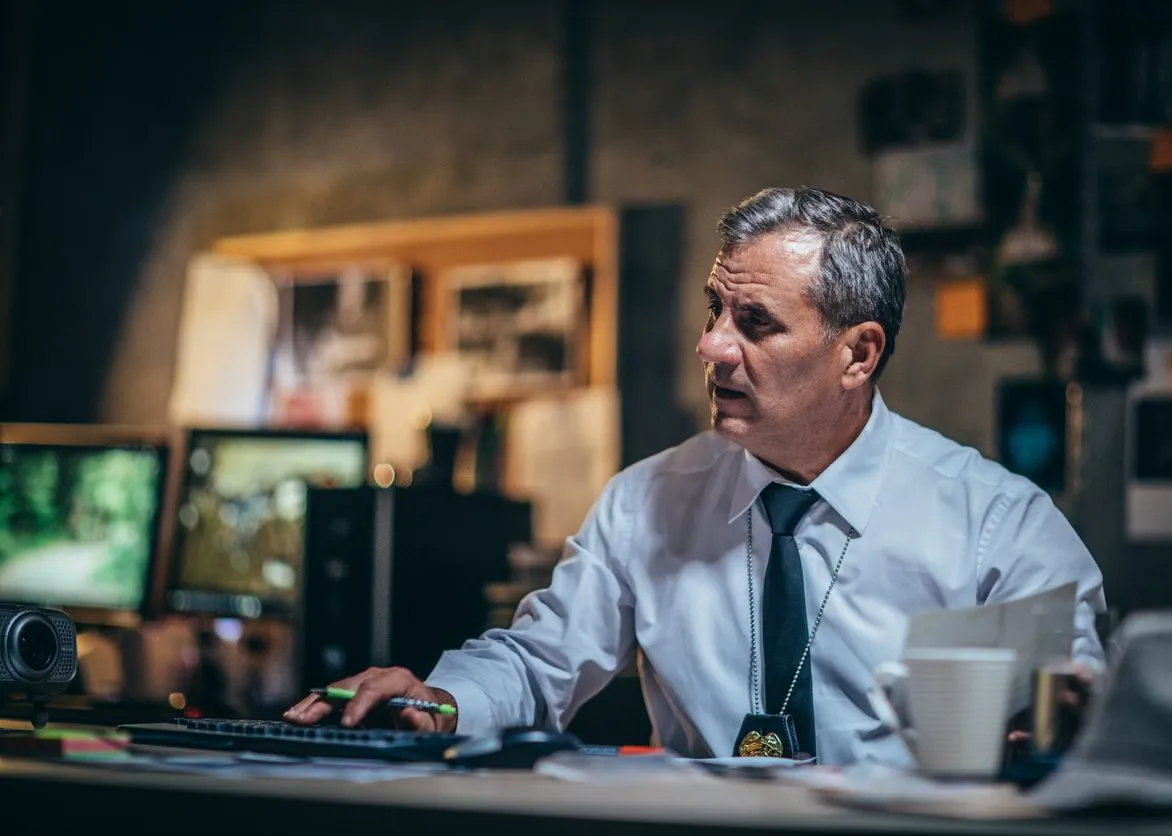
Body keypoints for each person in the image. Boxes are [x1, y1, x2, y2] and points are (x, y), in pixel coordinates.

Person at [285, 187, 1106, 765]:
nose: (712, 346)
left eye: (754, 323)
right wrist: (442, 699)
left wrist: (1063, 726)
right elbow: (540, 661)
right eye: (714, 311)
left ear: (857, 353)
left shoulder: (998, 522)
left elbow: (1075, 695)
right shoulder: (649, 499)